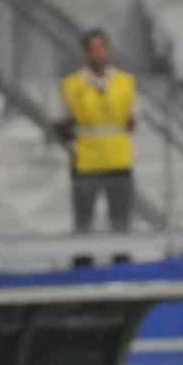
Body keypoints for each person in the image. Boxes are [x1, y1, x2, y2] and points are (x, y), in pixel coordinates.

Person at [57, 29, 137, 233]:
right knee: (83, 223)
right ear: (85, 53)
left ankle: (122, 264)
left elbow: (131, 121)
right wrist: (72, 149)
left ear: (109, 51)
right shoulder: (71, 84)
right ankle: (84, 263)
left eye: (102, 49)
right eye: (92, 50)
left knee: (121, 224)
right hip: (85, 162)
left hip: (119, 161)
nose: (98, 54)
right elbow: (62, 123)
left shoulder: (126, 82)